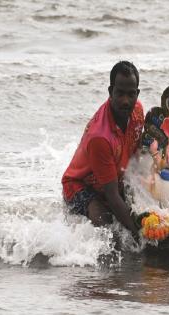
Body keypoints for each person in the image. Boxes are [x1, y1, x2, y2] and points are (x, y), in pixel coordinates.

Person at [61, 61, 144, 237]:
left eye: (131, 94)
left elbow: (138, 155)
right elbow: (112, 196)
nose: (125, 101)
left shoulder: (138, 111)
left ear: (137, 94)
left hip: (112, 178)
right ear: (110, 92)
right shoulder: (100, 137)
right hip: (80, 185)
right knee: (109, 230)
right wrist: (140, 234)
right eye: (120, 93)